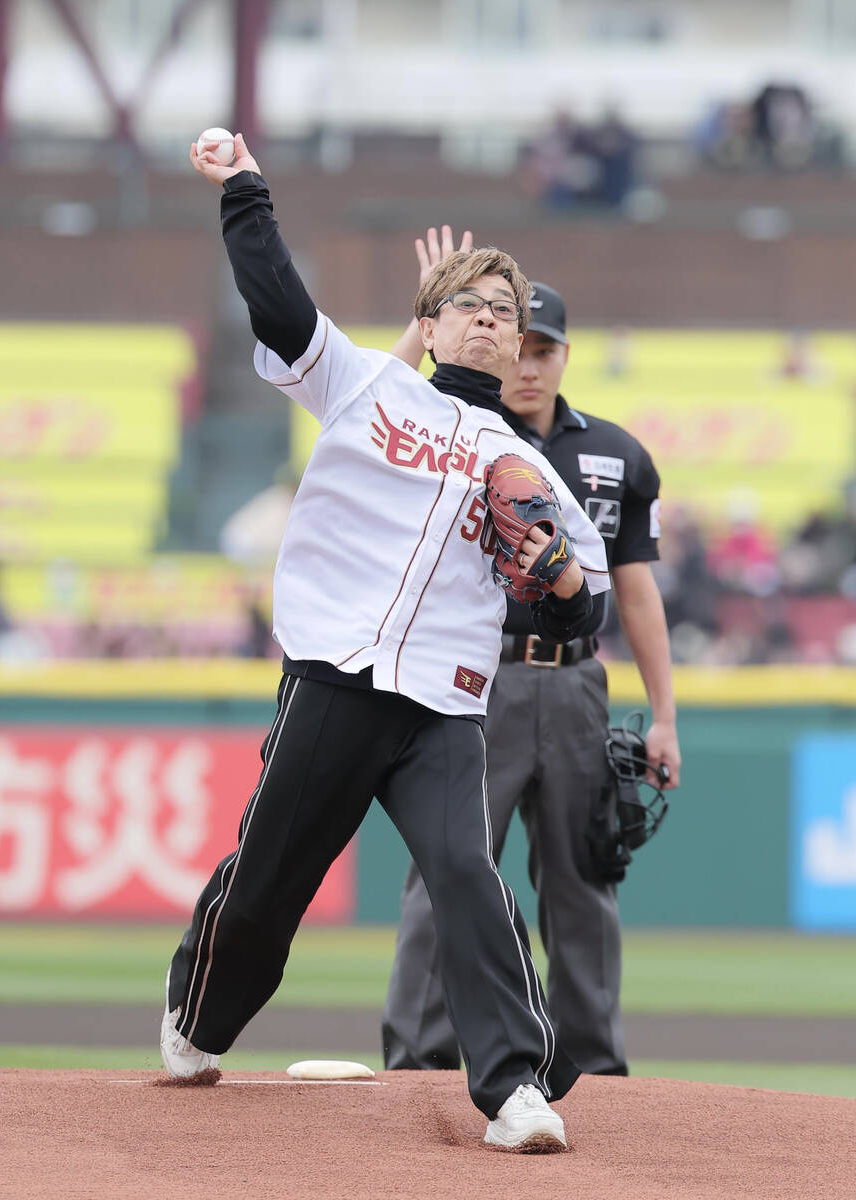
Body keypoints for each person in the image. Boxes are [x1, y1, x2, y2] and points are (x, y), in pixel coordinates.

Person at [160, 135, 610, 1152]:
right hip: (334, 675)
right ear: (430, 321)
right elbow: (275, 301)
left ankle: (513, 1092)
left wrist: (563, 579)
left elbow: (578, 616)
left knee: (467, 875)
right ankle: (197, 1016)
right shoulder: (365, 388)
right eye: (470, 306)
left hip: (442, 705)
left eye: (505, 313)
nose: (491, 323)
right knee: (270, 875)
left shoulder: (523, 464)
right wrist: (242, 186)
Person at [382, 235, 680, 1077]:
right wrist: (423, 310)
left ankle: (593, 1067)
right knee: (448, 868)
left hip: (579, 680)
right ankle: (418, 1059)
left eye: (546, 347)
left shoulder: (615, 455)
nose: (532, 362)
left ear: (559, 354)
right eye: (523, 343)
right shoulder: (453, 432)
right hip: (481, 677)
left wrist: (663, 718)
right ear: (499, 345)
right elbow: (377, 403)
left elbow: (634, 592)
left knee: (585, 878)